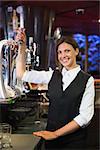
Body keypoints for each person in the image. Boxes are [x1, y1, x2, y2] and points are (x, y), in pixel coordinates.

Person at [15, 28, 95, 150]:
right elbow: (22, 74)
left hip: (74, 142)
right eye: (60, 52)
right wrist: (22, 46)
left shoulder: (87, 80)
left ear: (76, 51)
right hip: (51, 141)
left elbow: (84, 117)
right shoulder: (52, 75)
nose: (63, 56)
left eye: (67, 51)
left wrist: (56, 134)